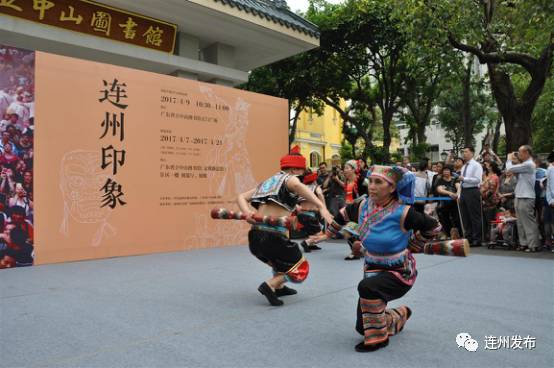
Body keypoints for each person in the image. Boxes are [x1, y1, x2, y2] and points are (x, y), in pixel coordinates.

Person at [331, 165, 440, 352]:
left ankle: (379, 339)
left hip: (400, 271)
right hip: (372, 268)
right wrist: (327, 232)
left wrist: (414, 244)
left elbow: (434, 227)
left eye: (378, 182)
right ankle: (399, 315)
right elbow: (341, 216)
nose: (371, 186)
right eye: (370, 181)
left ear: (392, 188)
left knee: (366, 288)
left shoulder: (404, 212)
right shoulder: (362, 205)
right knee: (361, 327)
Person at [237, 146, 333, 306]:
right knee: (300, 267)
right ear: (294, 169)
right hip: (272, 235)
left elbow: (241, 197)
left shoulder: (268, 182)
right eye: (301, 172)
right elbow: (296, 186)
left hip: (255, 236)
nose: (302, 176)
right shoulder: (290, 178)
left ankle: (280, 287)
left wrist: (247, 212)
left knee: (280, 262)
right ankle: (270, 285)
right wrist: (321, 206)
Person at [506, 146, 540, 252]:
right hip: (519, 194)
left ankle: (533, 244)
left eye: (520, 152)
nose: (518, 155)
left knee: (528, 222)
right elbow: (514, 174)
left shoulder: (529, 164)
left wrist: (508, 159)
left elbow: (509, 169)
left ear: (527, 153)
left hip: (527, 196)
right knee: (520, 222)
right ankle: (524, 243)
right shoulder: (524, 165)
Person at [459, 146, 483, 247]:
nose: (464, 154)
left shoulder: (476, 165)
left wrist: (464, 178)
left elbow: (477, 180)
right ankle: (468, 238)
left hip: (472, 190)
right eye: (463, 152)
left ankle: (477, 239)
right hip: (464, 191)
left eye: (466, 152)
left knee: (474, 216)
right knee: (465, 216)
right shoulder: (464, 166)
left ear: (472, 153)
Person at [435, 166, 461, 238]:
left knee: (456, 219)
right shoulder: (440, 180)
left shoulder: (454, 179)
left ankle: (458, 234)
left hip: (454, 203)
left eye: (447, 170)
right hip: (443, 204)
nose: (446, 172)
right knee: (445, 219)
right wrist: (450, 193)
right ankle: (448, 234)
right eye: (444, 170)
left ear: (450, 172)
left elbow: (458, 186)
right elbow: (439, 189)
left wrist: (457, 194)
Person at [481, 162, 501, 242]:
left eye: (487, 165)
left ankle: (492, 238)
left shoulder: (494, 177)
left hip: (490, 201)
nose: (485, 166)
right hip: (484, 201)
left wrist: (483, 196)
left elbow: (491, 190)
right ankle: (487, 237)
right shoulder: (486, 176)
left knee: (490, 220)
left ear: (491, 167)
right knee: (485, 220)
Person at [544, 150, 554, 252]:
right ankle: (549, 242)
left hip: (550, 200)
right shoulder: (550, 169)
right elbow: (549, 187)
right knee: (548, 223)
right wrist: (551, 200)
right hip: (549, 201)